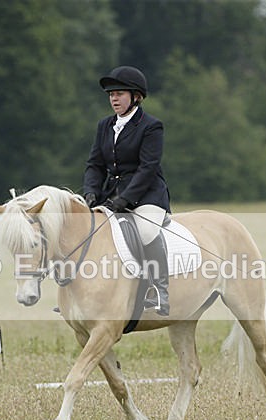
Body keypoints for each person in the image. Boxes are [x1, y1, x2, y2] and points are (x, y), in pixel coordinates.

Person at [82, 66, 171, 316]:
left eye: (119, 94)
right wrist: (90, 191)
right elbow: (95, 164)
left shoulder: (151, 126)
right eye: (111, 94)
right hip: (111, 195)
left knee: (145, 231)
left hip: (147, 195)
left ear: (136, 96)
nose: (114, 99)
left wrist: (126, 198)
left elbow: (148, 168)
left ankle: (159, 289)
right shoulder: (104, 125)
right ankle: (83, 294)